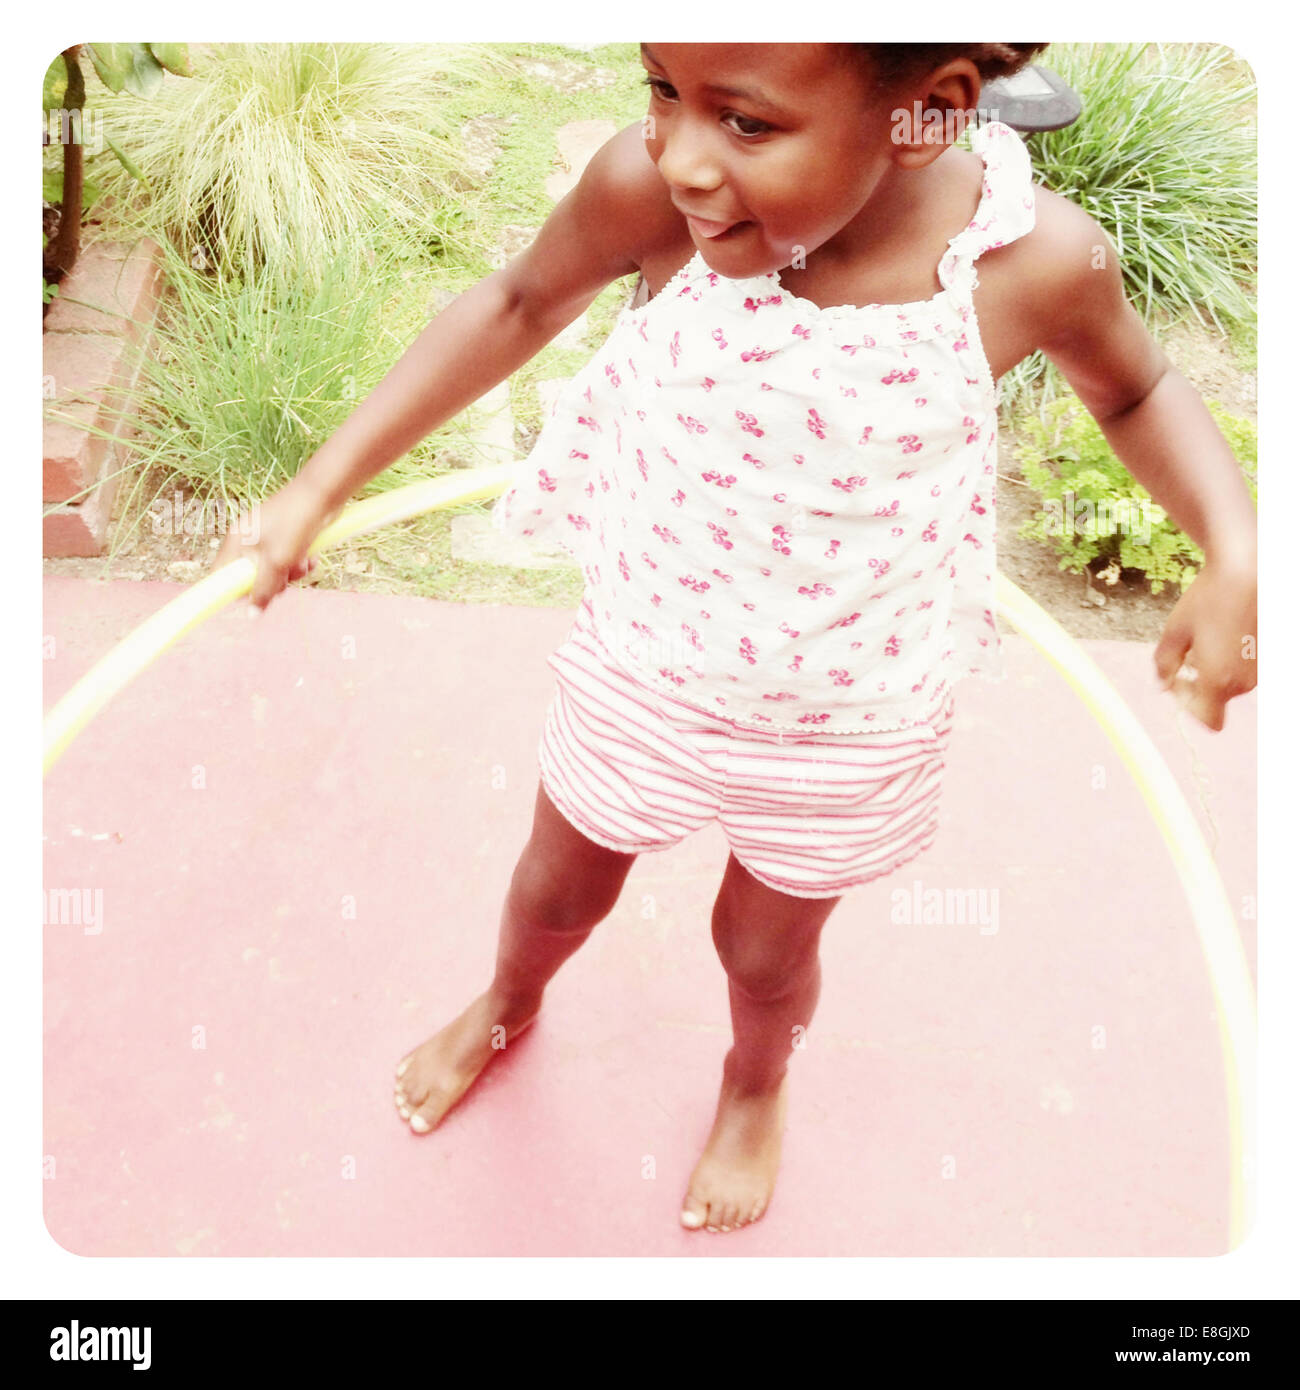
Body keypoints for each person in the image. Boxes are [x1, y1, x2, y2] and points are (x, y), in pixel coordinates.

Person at [213, 43, 1258, 1234]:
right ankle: (508, 1001)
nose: (682, 155)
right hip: (649, 657)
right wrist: (323, 482)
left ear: (928, 113)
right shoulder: (646, 198)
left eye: (745, 124)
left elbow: (1134, 391)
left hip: (852, 704)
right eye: (661, 87)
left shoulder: (1030, 263)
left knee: (762, 955)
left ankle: (755, 1083)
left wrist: (1233, 545)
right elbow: (514, 302)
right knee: (556, 887)